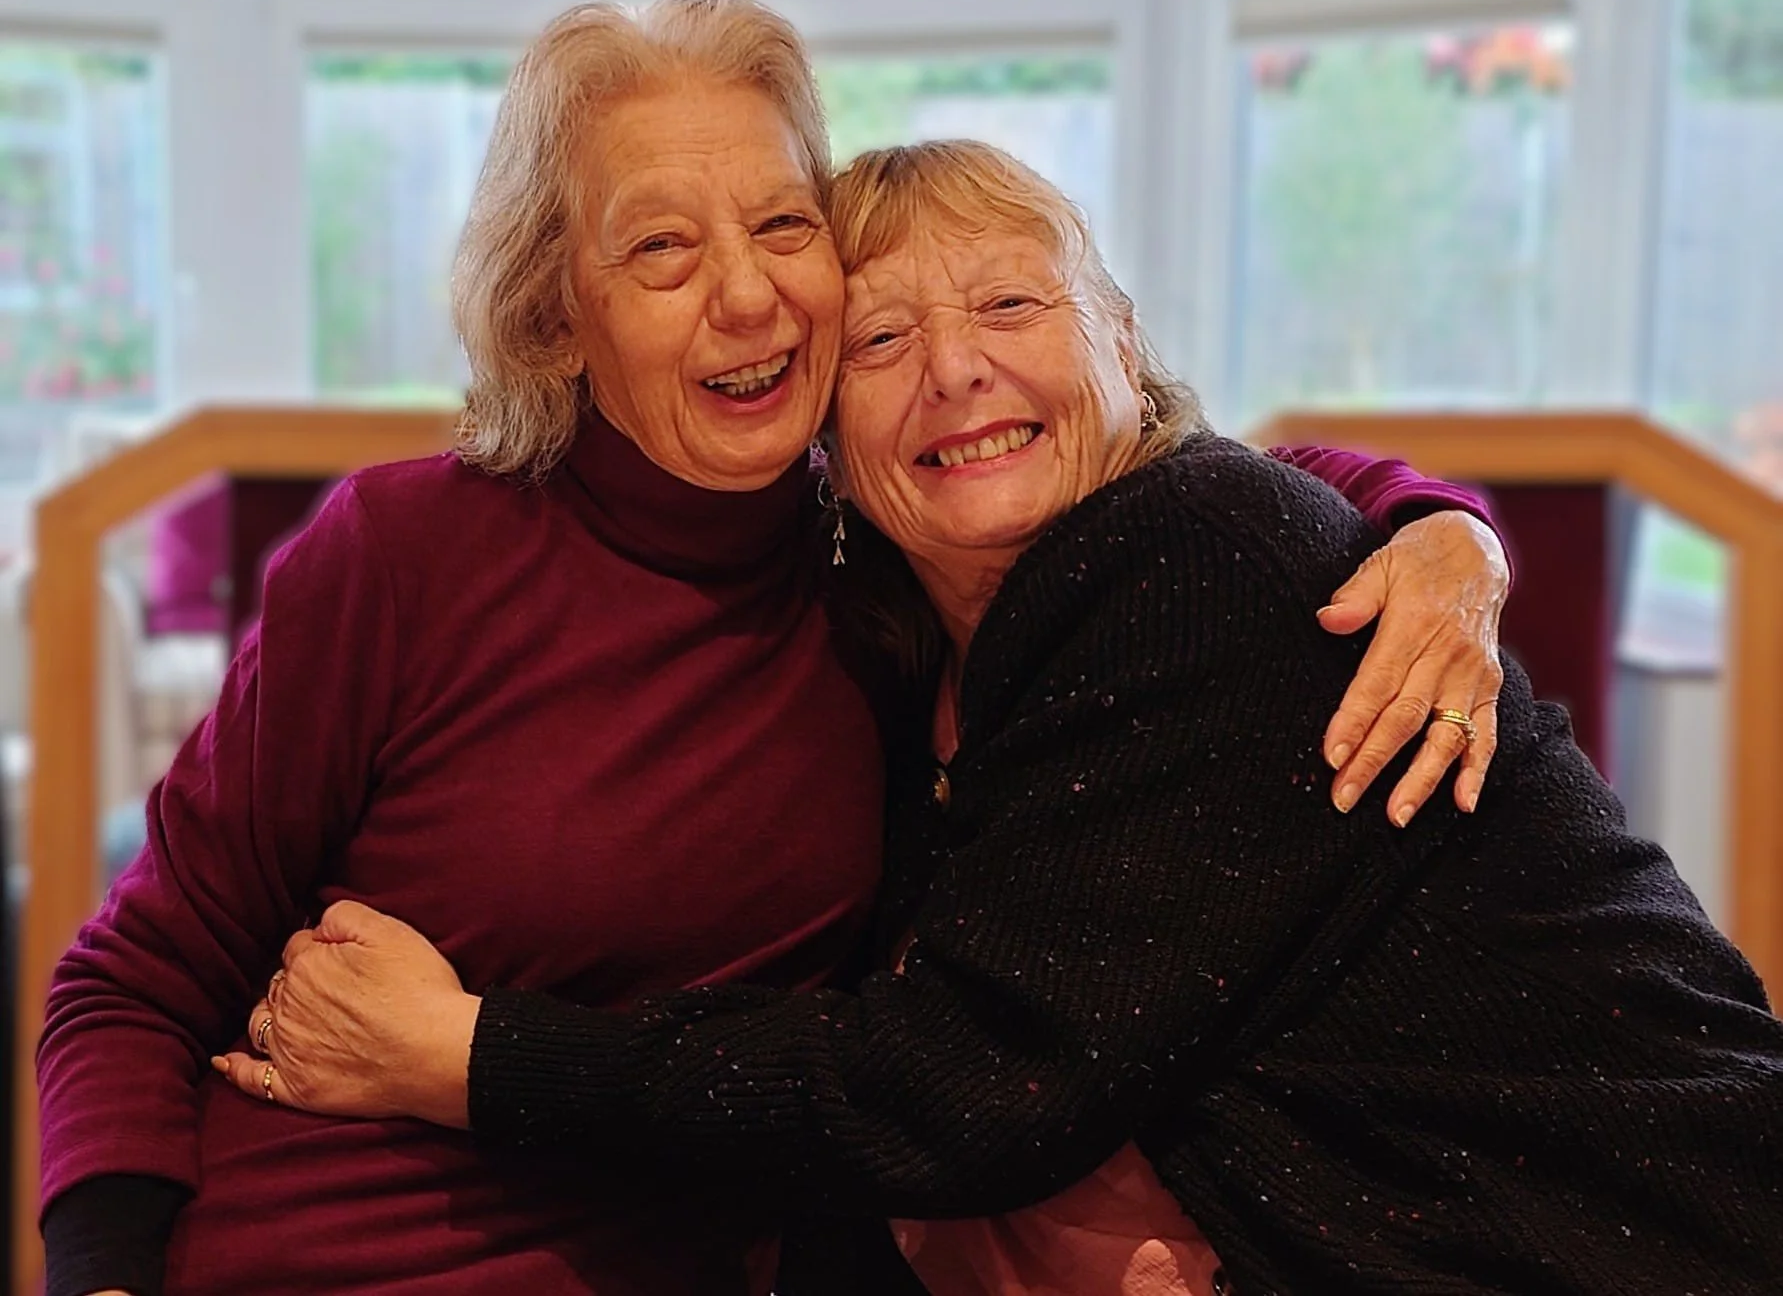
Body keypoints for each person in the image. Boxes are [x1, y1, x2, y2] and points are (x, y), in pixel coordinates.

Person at [38, 0, 1508, 1296]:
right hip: (315, 1246)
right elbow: (132, 977)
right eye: (662, 249)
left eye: (782, 225)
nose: (745, 293)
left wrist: (1447, 534)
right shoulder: (400, 552)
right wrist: (102, 1272)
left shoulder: (880, 567)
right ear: (559, 319)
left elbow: (1190, 471)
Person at [228, 139, 1783, 1296]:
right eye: (883, 342)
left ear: (1119, 339)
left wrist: (476, 1057)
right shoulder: (919, 661)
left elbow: (960, 1080)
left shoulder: (1190, 555)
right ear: (822, 427)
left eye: (1009, 304)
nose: (956, 371)